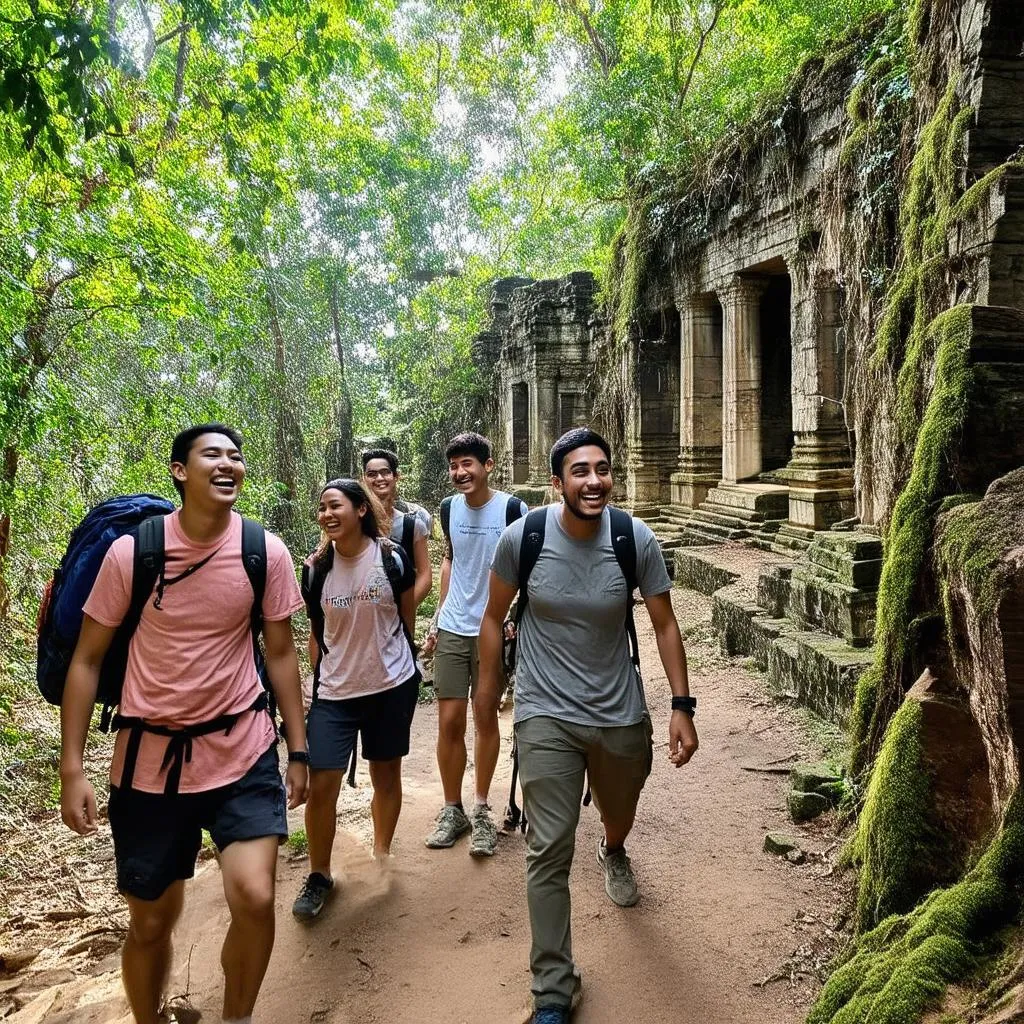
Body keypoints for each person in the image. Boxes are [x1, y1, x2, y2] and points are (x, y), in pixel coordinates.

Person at [59, 423, 309, 1024]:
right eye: (212, 455)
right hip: (149, 763)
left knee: (255, 895)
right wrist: (72, 767)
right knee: (150, 921)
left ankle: (236, 1017)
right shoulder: (133, 554)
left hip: (242, 749)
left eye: (236, 456)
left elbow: (280, 653)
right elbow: (87, 659)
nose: (228, 465)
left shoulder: (263, 550)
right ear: (179, 470)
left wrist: (297, 747)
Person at [477, 427, 699, 1024]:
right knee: (548, 847)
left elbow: (664, 624)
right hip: (545, 711)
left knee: (619, 802)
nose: (594, 480)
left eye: (602, 468)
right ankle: (553, 987)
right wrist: (489, 688)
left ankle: (615, 845)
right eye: (580, 470)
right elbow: (493, 618)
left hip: (618, 710)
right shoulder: (521, 540)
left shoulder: (633, 538)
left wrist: (682, 704)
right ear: (558, 483)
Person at [292, 478, 419, 921]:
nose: (327, 514)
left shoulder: (391, 558)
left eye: (335, 506)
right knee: (321, 784)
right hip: (335, 694)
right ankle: (319, 875)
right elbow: (315, 632)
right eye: (322, 507)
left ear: (361, 510)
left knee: (386, 777)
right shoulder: (315, 570)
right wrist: (317, 681)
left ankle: (381, 857)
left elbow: (403, 622)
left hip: (390, 686)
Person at [421, 431, 526, 856]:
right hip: (452, 627)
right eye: (454, 466)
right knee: (449, 722)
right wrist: (438, 615)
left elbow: (527, 565)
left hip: (491, 628)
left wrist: (513, 615)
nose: (460, 473)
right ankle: (453, 809)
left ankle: (481, 808)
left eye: (468, 464)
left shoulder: (513, 509)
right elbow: (451, 557)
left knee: (485, 717)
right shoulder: (448, 509)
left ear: (488, 466)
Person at [361, 447, 433, 609]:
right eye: (372, 474)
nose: (379, 478)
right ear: (364, 479)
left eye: (385, 472)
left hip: (398, 626)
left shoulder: (412, 526)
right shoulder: (354, 523)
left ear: (396, 477)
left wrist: (402, 610)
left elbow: (425, 575)